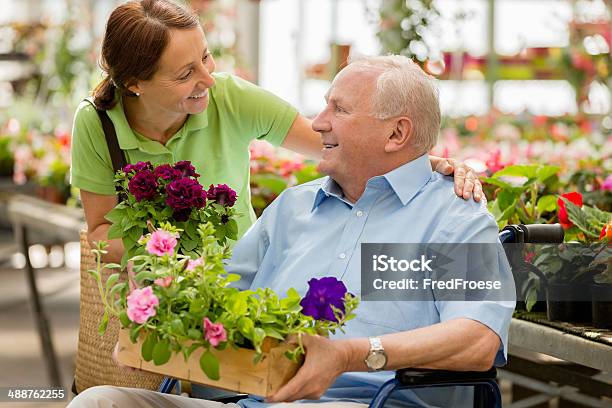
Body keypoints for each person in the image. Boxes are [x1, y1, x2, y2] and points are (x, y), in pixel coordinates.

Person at [68, 55, 515, 408]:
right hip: (252, 399)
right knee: (100, 401)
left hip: (373, 402)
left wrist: (350, 354)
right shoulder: (293, 208)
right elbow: (221, 302)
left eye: (338, 109)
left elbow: (477, 339)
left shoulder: (454, 217)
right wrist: (159, 313)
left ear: (397, 133)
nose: (318, 122)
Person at [71, 0, 484, 265]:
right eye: (185, 74)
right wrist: (169, 248)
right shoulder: (97, 123)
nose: (208, 79)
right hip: (157, 292)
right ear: (135, 84)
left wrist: (424, 161)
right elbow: (101, 236)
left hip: (241, 280)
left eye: (206, 57)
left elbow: (334, 140)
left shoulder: (231, 98)